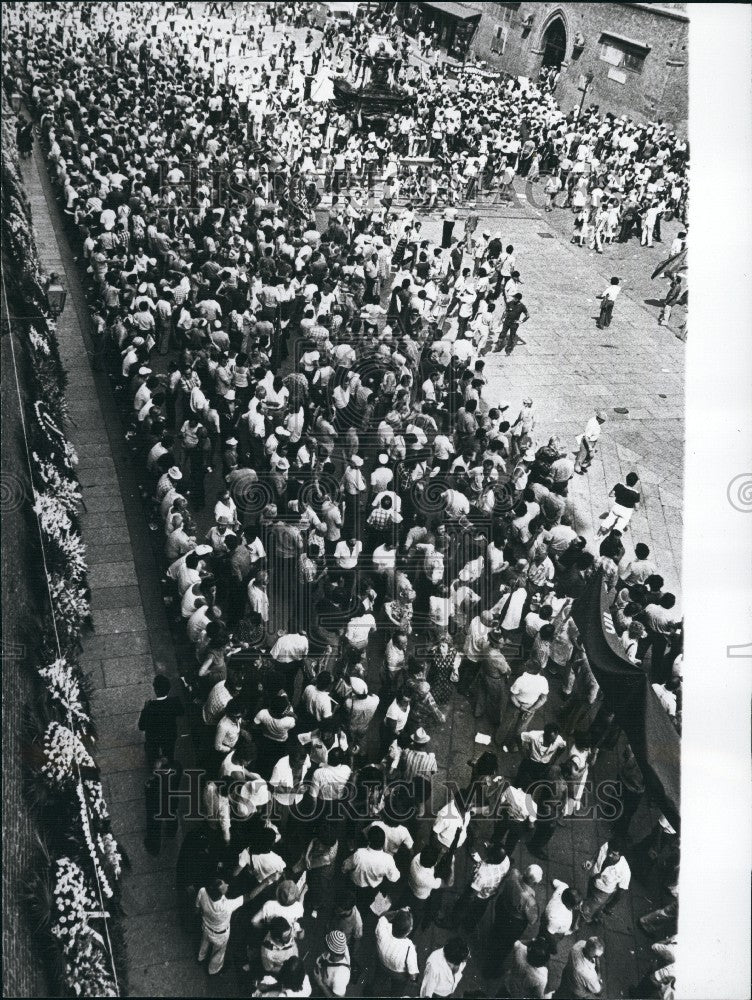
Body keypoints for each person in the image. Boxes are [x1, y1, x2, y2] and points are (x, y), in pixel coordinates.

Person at [485, 864, 542, 976]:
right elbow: (532, 920)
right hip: (513, 923)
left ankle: (492, 938)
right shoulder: (530, 901)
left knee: (497, 926)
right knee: (504, 946)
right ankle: (491, 971)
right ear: (535, 883)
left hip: (502, 906)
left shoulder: (514, 873)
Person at [138, 674, 184, 766]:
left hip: (153, 738)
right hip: (170, 735)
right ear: (169, 689)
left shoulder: (149, 708)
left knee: (152, 752)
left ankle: (153, 765)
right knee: (169, 751)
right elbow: (181, 712)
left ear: (155, 690)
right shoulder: (175, 702)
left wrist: (146, 708)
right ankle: (168, 764)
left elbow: (141, 726)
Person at [581, 839, 631, 923]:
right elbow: (598, 853)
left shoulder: (625, 871)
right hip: (593, 878)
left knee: (590, 908)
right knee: (589, 897)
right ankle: (593, 912)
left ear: (621, 855)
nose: (609, 855)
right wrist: (591, 861)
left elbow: (621, 891)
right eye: (609, 851)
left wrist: (610, 906)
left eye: (614, 854)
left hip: (603, 892)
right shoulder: (607, 846)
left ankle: (584, 918)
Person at [574, 411, 607, 475]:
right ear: (599, 419)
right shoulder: (593, 425)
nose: (603, 422)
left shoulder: (594, 420)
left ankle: (583, 465)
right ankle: (577, 468)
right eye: (603, 421)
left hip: (592, 441)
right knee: (582, 456)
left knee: (589, 455)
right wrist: (589, 447)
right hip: (587, 442)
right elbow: (586, 437)